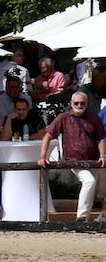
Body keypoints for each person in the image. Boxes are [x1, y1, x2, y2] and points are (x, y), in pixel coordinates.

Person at [37, 91, 106, 222]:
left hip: (93, 160)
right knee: (89, 182)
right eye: (76, 103)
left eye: (82, 103)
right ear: (71, 104)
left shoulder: (93, 118)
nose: (79, 105)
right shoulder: (63, 117)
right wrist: (42, 156)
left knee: (91, 188)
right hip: (74, 160)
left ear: (87, 104)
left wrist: (102, 155)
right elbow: (48, 136)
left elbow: (100, 138)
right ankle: (82, 216)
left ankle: (84, 221)